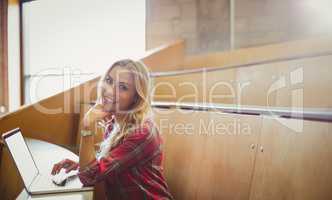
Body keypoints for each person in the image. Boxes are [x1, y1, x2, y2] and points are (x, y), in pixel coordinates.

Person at [51, 59, 174, 199]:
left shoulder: (142, 133)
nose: (110, 91)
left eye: (123, 87)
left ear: (136, 97)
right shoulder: (115, 123)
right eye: (109, 81)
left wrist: (87, 125)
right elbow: (106, 165)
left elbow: (89, 177)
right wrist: (80, 164)